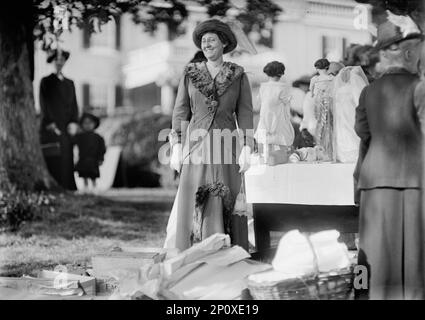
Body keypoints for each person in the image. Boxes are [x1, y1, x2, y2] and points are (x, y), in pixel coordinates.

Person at [164, 19, 254, 251]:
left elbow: (244, 113)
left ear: (223, 43)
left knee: (225, 197)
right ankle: (193, 253)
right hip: (195, 145)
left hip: (227, 145)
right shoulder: (190, 74)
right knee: (195, 196)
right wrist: (176, 145)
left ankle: (226, 253)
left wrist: (246, 146)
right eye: (203, 41)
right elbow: (180, 110)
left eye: (211, 40)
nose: (207, 44)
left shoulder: (238, 75)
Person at [354, 15, 425, 300]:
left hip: (375, 179)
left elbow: (362, 132)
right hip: (413, 179)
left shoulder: (368, 90)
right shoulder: (419, 88)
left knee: (375, 253)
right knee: (413, 255)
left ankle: (368, 296)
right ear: (407, 53)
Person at [39, 49, 79, 190]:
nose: (59, 62)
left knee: (67, 156)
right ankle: (56, 186)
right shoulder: (46, 81)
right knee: (54, 156)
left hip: (66, 126)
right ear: (52, 62)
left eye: (62, 60)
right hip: (52, 126)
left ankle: (68, 186)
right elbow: (44, 104)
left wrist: (74, 122)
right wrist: (50, 123)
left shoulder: (70, 83)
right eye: (57, 60)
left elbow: (74, 104)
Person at [254, 61, 294, 163]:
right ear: (281, 73)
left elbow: (259, 102)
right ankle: (277, 158)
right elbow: (287, 101)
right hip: (278, 117)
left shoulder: (263, 87)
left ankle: (266, 158)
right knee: (280, 142)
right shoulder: (283, 87)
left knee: (265, 144)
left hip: (264, 118)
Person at [333, 66, 369, 163]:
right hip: (351, 116)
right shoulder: (354, 89)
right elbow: (360, 103)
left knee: (344, 133)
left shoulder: (338, 91)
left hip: (342, 119)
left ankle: (344, 153)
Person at [310, 58, 335, 161]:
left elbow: (311, 93)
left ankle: (321, 148)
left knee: (320, 125)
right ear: (327, 67)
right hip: (330, 102)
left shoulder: (315, 79)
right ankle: (329, 149)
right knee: (330, 125)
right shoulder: (332, 78)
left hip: (319, 103)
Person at [74, 113, 106, 193]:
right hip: (83, 159)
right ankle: (85, 187)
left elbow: (102, 149)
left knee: (93, 174)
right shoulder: (79, 137)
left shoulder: (98, 138)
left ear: (94, 124)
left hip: (93, 160)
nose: (88, 125)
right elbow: (73, 143)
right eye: (85, 123)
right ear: (82, 124)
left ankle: (94, 187)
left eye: (90, 123)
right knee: (84, 174)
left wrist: (101, 158)